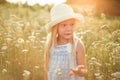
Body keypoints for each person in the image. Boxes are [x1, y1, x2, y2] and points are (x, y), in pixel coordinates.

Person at [44, 3, 87, 80]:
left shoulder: (77, 45)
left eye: (72, 24)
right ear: (56, 27)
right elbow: (47, 69)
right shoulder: (50, 45)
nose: (69, 29)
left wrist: (80, 71)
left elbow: (84, 70)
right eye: (64, 25)